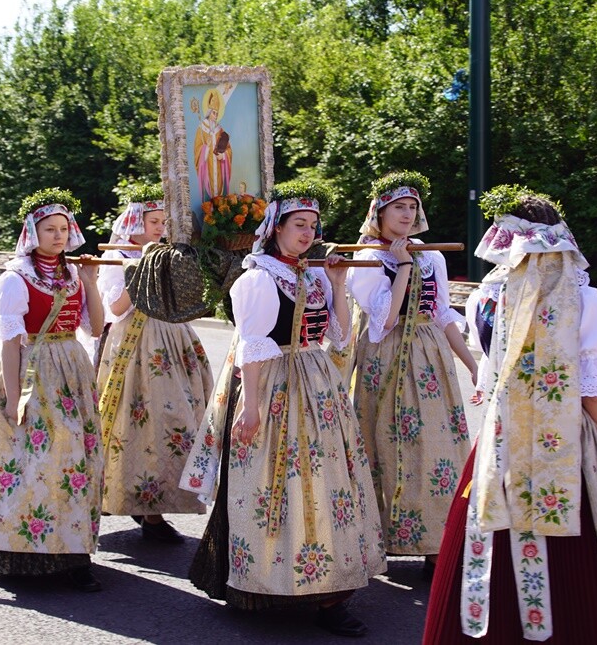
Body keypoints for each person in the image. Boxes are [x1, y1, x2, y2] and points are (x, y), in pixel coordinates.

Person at [422, 186, 597, 644]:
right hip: (566, 445)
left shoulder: (487, 300)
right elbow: (594, 393)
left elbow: (490, 376)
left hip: (500, 443)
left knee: (492, 537)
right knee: (580, 561)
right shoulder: (580, 300)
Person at [181, 180, 387, 638]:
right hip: (273, 385)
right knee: (274, 486)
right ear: (276, 228)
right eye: (299, 225)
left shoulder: (314, 273)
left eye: (312, 225)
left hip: (317, 383)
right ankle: (265, 583)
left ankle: (331, 593)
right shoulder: (257, 278)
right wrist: (250, 409)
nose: (307, 233)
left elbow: (337, 336)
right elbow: (252, 347)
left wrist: (336, 283)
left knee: (325, 483)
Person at [0, 188, 106, 592]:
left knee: (77, 461)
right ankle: (25, 549)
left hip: (72, 369)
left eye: (64, 229)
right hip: (34, 368)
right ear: (32, 232)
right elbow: (11, 344)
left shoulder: (73, 275)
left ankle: (74, 553)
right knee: (37, 460)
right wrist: (15, 399)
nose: (59, 236)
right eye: (50, 229)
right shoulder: (15, 279)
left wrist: (90, 282)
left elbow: (96, 329)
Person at [345, 171, 477, 577]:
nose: (406, 213)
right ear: (379, 212)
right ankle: (380, 536)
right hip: (385, 357)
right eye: (398, 207)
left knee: (440, 448)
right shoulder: (365, 257)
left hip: (430, 357)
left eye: (411, 207)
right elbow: (382, 320)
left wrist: (474, 365)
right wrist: (402, 266)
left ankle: (438, 543)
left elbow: (441, 314)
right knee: (389, 447)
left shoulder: (431, 254)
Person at [96, 183, 214, 542]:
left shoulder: (165, 254)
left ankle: (157, 505)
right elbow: (115, 307)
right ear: (134, 225)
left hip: (173, 341)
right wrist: (143, 268)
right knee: (139, 425)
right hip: (133, 346)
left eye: (164, 222)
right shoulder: (116, 257)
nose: (160, 229)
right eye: (153, 222)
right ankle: (144, 509)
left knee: (177, 422)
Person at [193, 87, 232, 201]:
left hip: (219, 168)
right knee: (209, 194)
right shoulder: (201, 130)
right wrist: (206, 148)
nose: (216, 115)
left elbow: (228, 149)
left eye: (217, 113)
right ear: (209, 113)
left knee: (220, 195)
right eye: (214, 113)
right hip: (208, 168)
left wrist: (223, 155)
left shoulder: (220, 130)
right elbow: (197, 151)